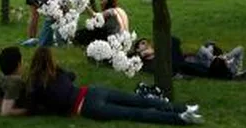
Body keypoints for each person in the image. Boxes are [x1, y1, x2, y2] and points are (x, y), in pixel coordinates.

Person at [23, 46, 202, 124]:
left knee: (134, 113)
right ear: (51, 60)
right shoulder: (58, 72)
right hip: (92, 91)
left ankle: (180, 118)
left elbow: (32, 108)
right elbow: (72, 76)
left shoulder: (34, 83)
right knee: (138, 101)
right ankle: (183, 108)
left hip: (85, 106)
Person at [131, 37, 246, 80]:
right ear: (137, 49)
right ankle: (221, 65)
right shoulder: (141, 60)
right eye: (142, 43)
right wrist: (144, 54)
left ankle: (215, 58)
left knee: (174, 41)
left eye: (146, 43)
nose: (146, 45)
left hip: (183, 61)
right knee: (172, 41)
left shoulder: (157, 51)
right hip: (175, 66)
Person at [0, 46, 28, 116]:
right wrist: (29, 111)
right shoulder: (15, 81)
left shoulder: (1, 77)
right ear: (19, 64)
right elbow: (5, 112)